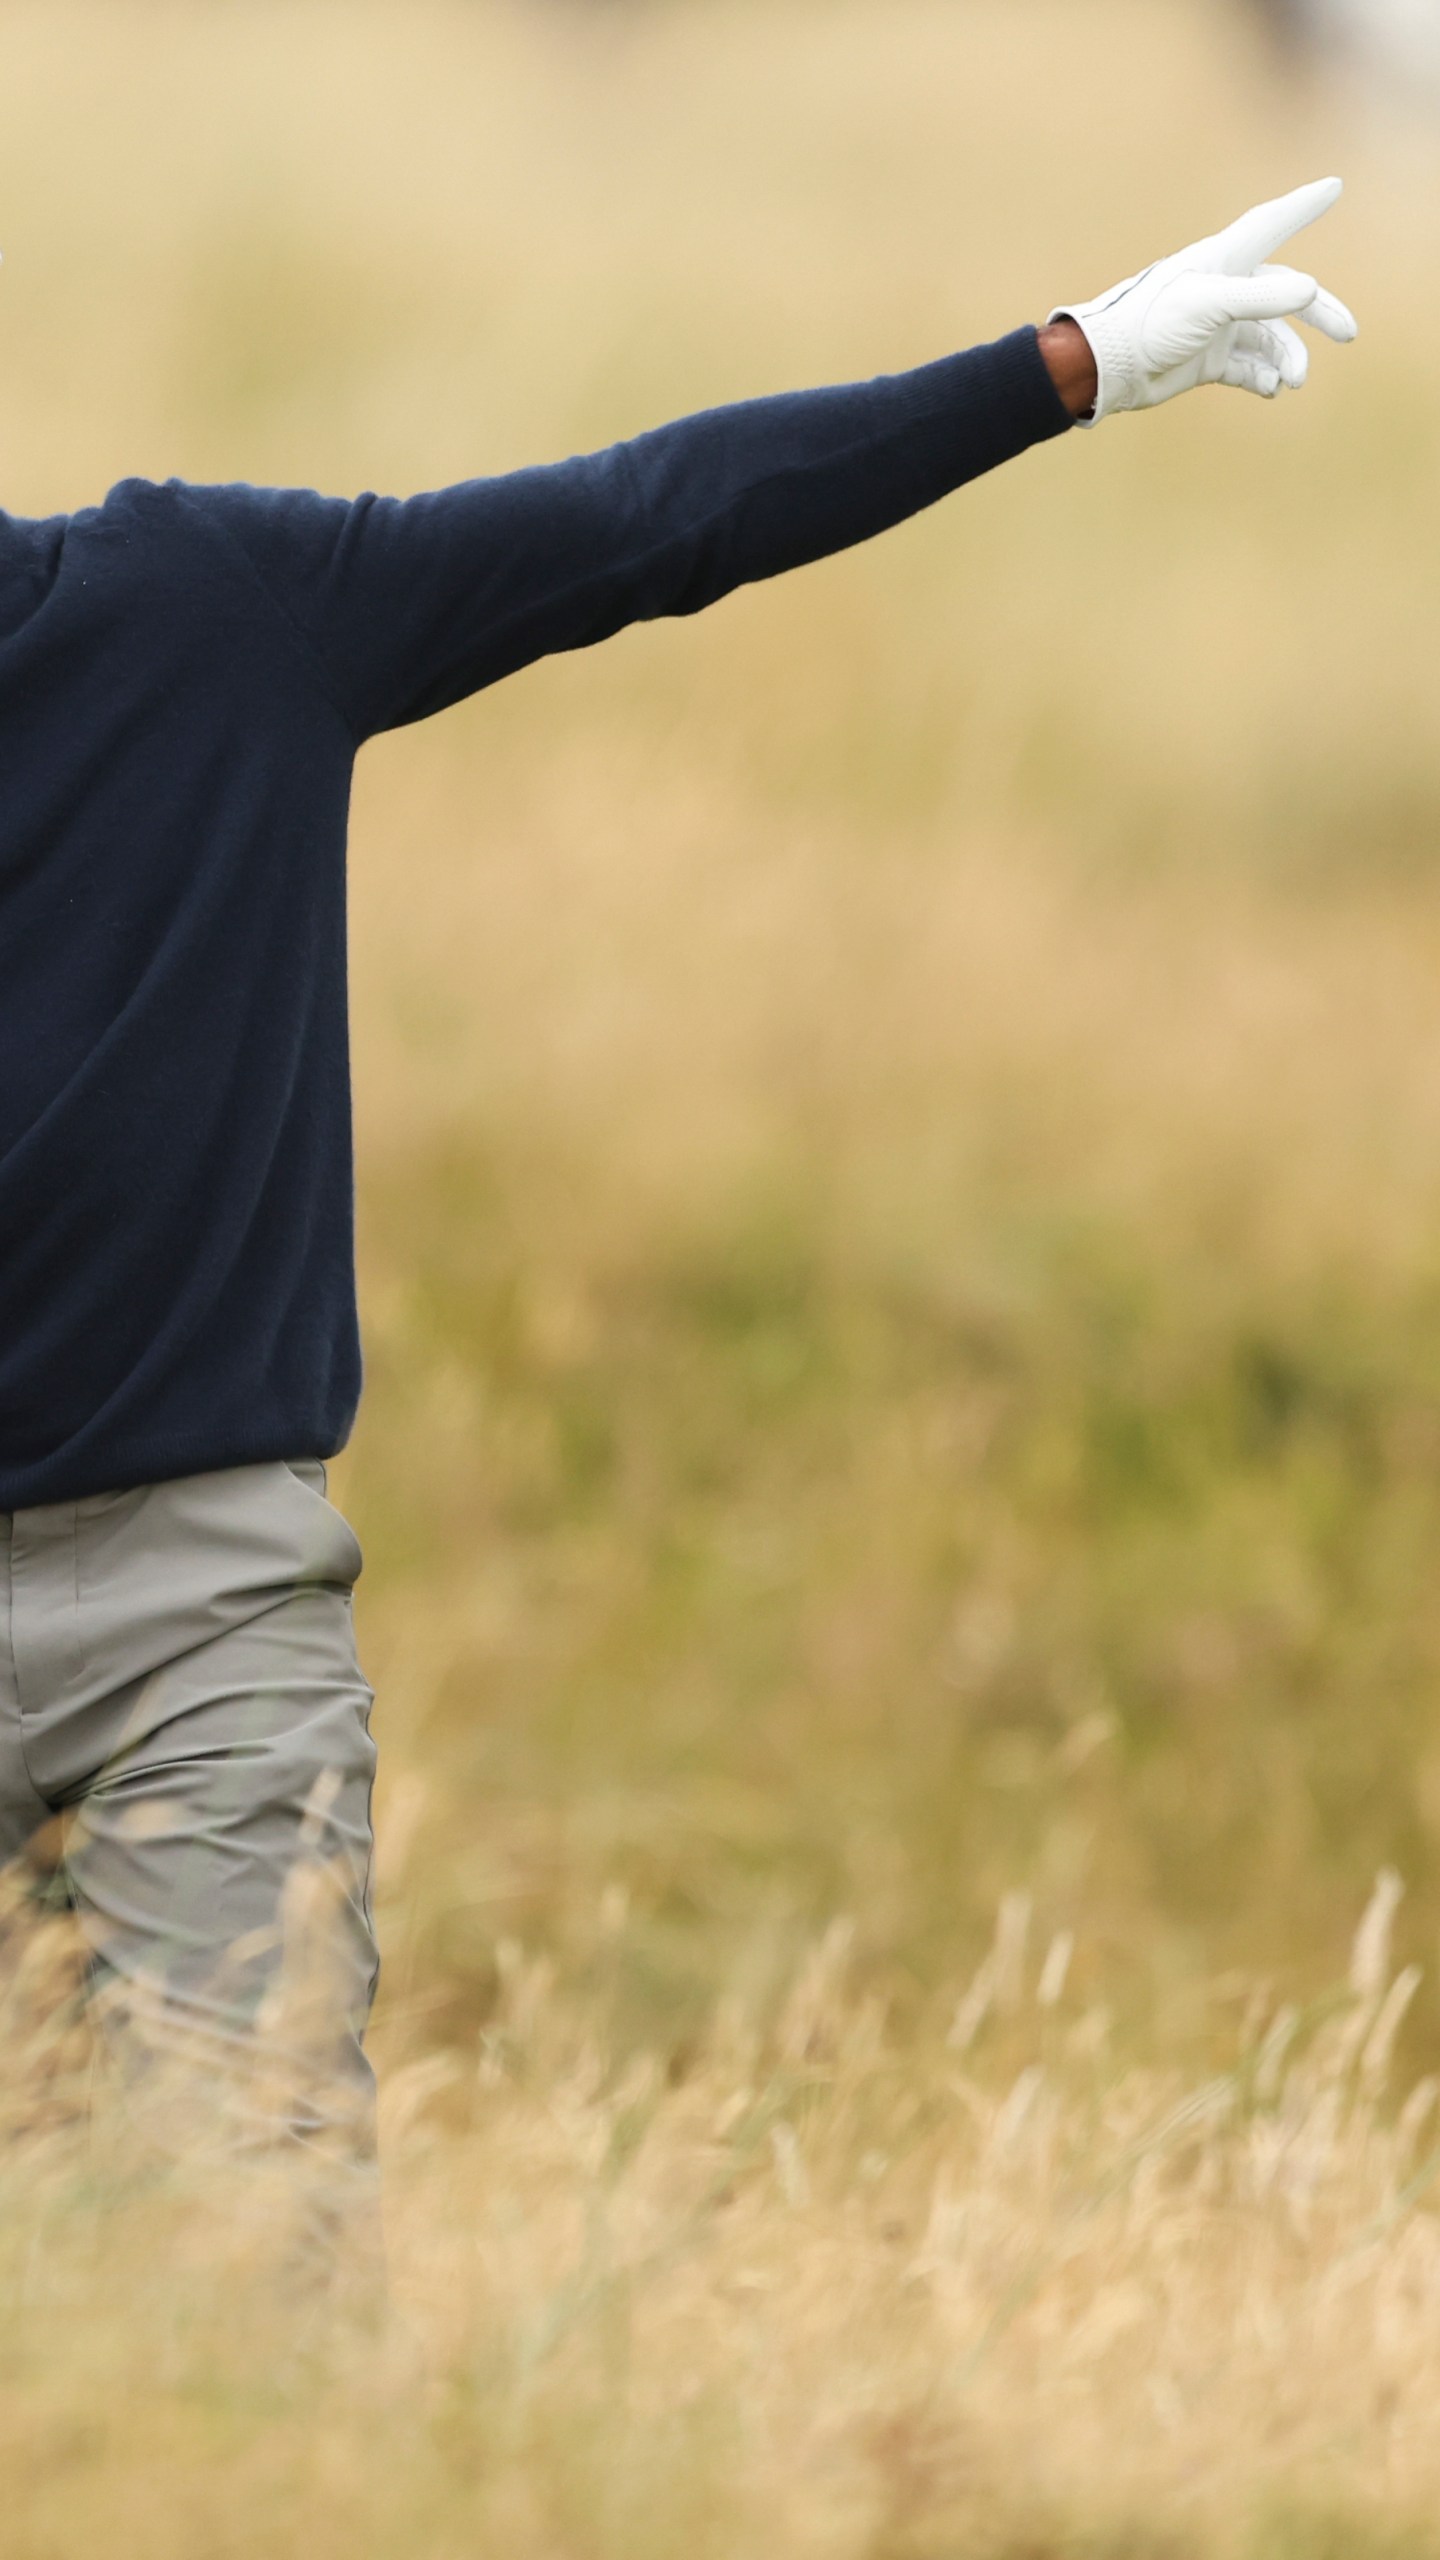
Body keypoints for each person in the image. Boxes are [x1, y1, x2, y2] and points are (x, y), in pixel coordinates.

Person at [0, 178, 1356, 2167]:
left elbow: (651, 519)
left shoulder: (212, 613)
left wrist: (1063, 366)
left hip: (197, 1635)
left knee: (250, 2263)